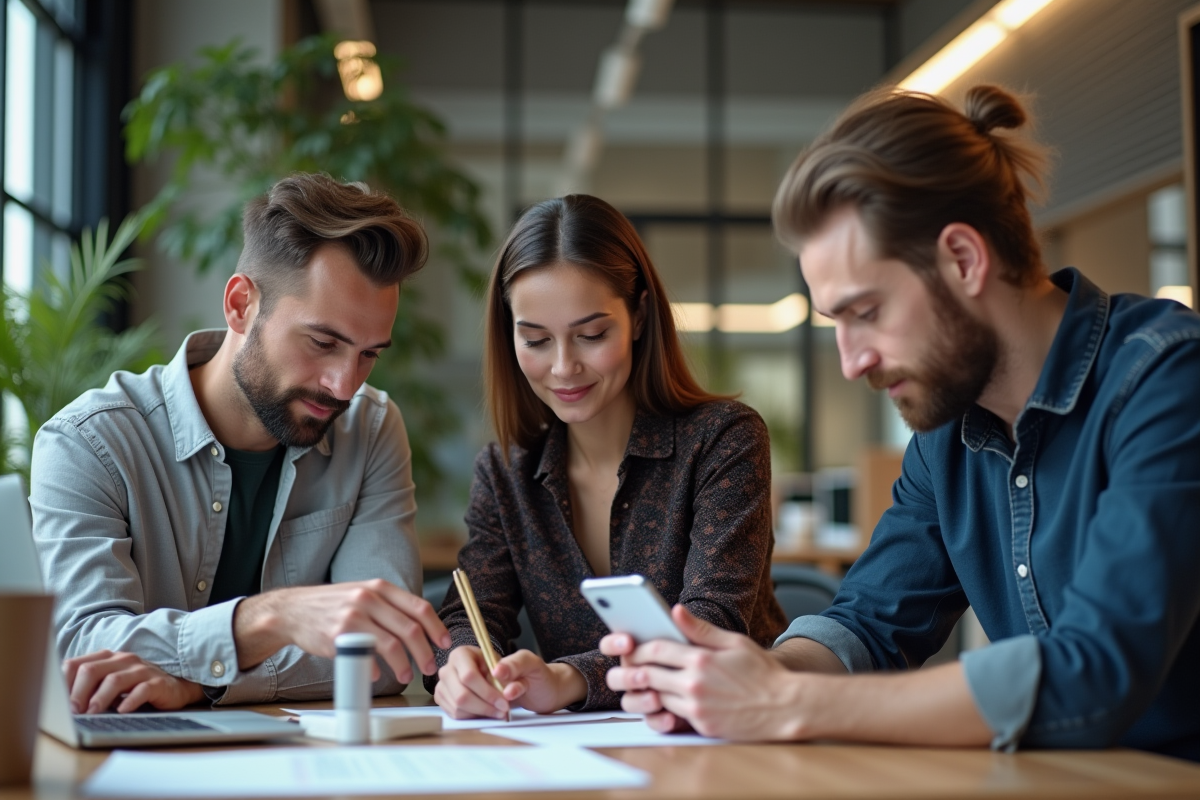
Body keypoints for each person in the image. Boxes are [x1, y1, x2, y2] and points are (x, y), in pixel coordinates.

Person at [602, 85, 1200, 761]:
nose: (851, 363)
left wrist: (789, 703)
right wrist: (756, 674)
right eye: (836, 323)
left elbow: (1096, 672)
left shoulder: (1167, 378)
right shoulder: (945, 437)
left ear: (964, 259)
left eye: (866, 312)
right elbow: (869, 624)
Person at [31, 173, 451, 715]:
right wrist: (269, 619)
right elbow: (84, 650)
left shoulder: (369, 429)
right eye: (323, 342)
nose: (345, 384)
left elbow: (386, 657)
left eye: (369, 353)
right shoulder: (89, 443)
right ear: (240, 305)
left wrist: (205, 683)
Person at [427, 194, 787, 719]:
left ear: (638, 316)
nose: (563, 367)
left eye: (591, 335)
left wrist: (569, 678)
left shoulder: (723, 441)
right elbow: (470, 612)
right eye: (535, 340)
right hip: (581, 759)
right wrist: (460, 661)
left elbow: (711, 627)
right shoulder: (506, 470)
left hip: (726, 736)